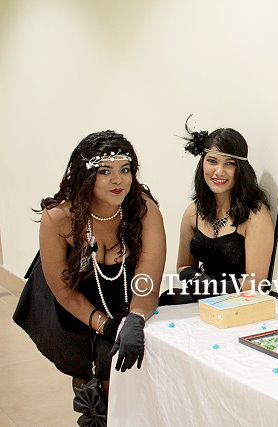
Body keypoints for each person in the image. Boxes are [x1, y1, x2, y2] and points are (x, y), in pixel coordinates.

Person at [13, 130, 166, 400]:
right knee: (88, 380)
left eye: (125, 169)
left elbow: (148, 278)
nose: (118, 180)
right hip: (71, 298)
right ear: (86, 175)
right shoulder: (58, 217)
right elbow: (63, 290)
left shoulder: (144, 210)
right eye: (105, 171)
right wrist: (104, 325)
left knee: (120, 378)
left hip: (123, 295)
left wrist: (136, 317)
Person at [159, 119, 273, 305]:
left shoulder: (255, 214)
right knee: (165, 300)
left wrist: (214, 289)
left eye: (229, 163)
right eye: (212, 161)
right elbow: (183, 266)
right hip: (200, 298)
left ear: (241, 169)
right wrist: (197, 280)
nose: (219, 171)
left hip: (239, 305)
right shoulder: (193, 212)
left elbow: (256, 283)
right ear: (203, 163)